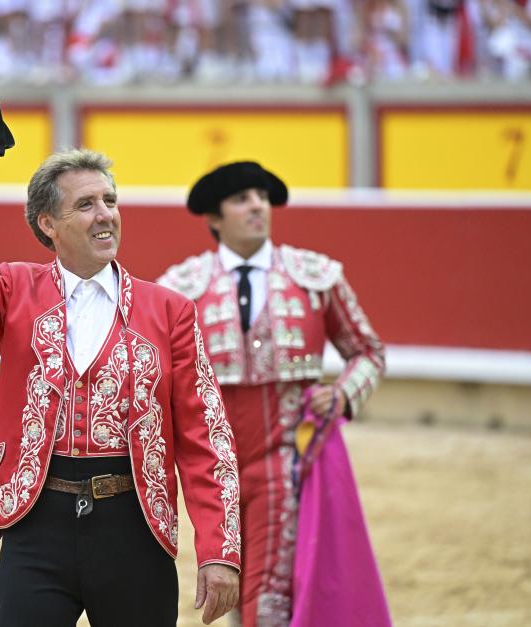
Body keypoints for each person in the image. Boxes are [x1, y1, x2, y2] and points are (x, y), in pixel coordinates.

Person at [0, 131, 241, 626]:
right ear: (48, 223)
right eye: (86, 204)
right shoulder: (13, 291)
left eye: (110, 201)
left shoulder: (171, 311)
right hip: (37, 523)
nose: (105, 214)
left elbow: (206, 436)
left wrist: (219, 551)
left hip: (135, 527)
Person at [157, 161, 387, 626]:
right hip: (209, 466)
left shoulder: (315, 277)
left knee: (267, 595)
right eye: (242, 199)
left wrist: (342, 395)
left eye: (261, 196)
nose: (257, 205)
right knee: (228, 586)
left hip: (283, 457)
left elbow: (368, 352)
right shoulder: (180, 288)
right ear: (215, 218)